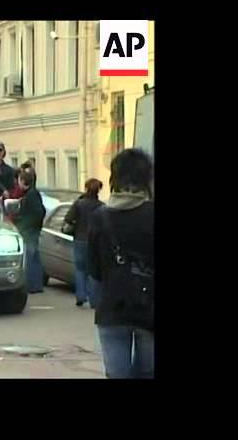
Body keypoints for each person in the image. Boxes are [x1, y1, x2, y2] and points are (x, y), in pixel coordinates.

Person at [88, 148, 154, 379]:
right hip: (150, 310)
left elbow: (94, 269)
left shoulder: (99, 216)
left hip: (111, 310)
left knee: (117, 375)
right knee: (148, 372)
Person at [64, 178, 104, 307]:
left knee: (80, 269)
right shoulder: (101, 206)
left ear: (86, 188)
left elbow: (68, 219)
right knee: (93, 270)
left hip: (80, 240)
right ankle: (94, 300)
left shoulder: (79, 204)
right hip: (95, 242)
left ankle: (80, 296)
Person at [13, 169, 46, 293]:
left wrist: (23, 224)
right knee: (35, 257)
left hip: (30, 230)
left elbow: (38, 212)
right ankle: (36, 285)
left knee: (30, 257)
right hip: (33, 229)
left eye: (19, 181)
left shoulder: (31, 195)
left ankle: (31, 285)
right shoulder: (32, 194)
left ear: (22, 181)